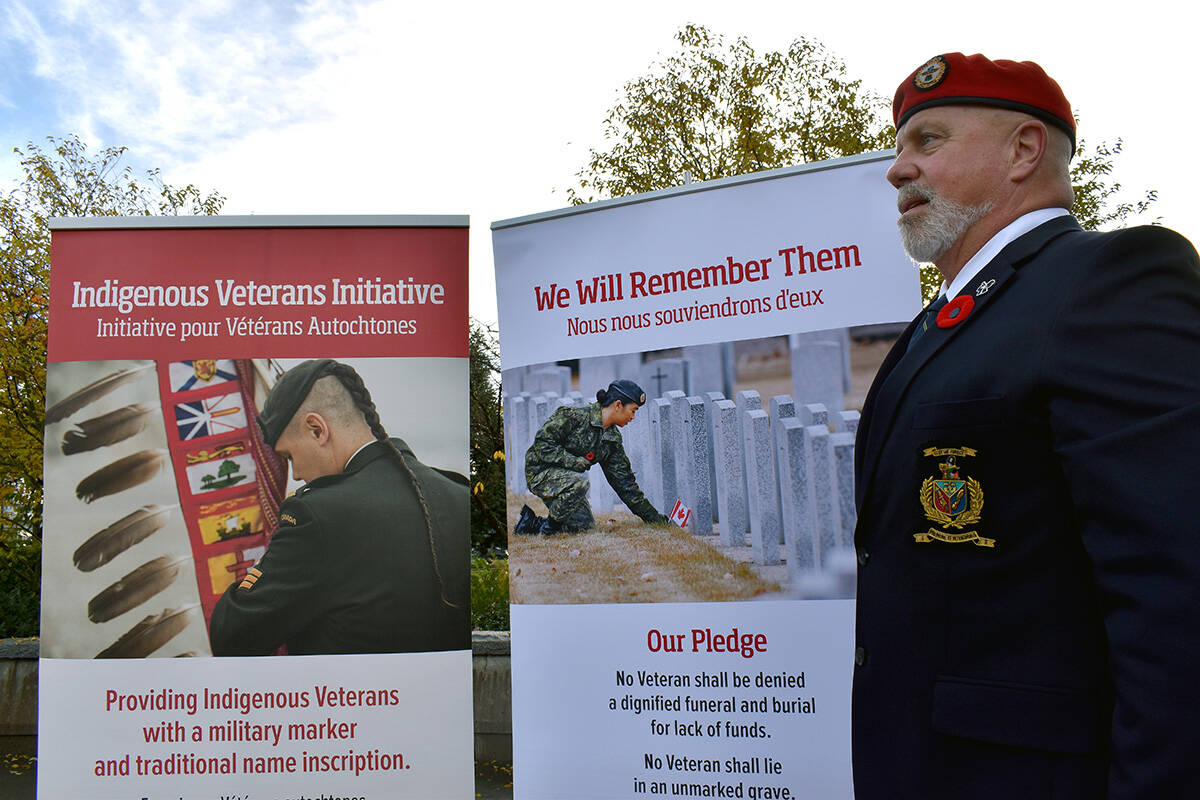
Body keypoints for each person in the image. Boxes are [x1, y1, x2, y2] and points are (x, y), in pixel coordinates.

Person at [852, 53, 1200, 799]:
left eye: (929, 141)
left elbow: (1175, 596)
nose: (897, 170)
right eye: (899, 148)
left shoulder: (1111, 280)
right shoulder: (941, 323)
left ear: (1023, 151)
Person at [209, 359, 468, 655]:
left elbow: (231, 636)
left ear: (317, 430)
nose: (294, 475)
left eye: (289, 456)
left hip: (351, 699)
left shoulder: (317, 517)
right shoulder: (459, 494)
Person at [514, 378, 669, 535]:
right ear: (618, 405)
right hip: (540, 472)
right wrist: (574, 462)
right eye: (633, 410)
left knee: (585, 529)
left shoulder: (611, 440)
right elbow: (542, 444)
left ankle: (530, 523)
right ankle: (549, 530)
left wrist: (655, 519)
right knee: (580, 481)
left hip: (570, 482)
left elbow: (625, 484)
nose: (633, 417)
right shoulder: (574, 416)